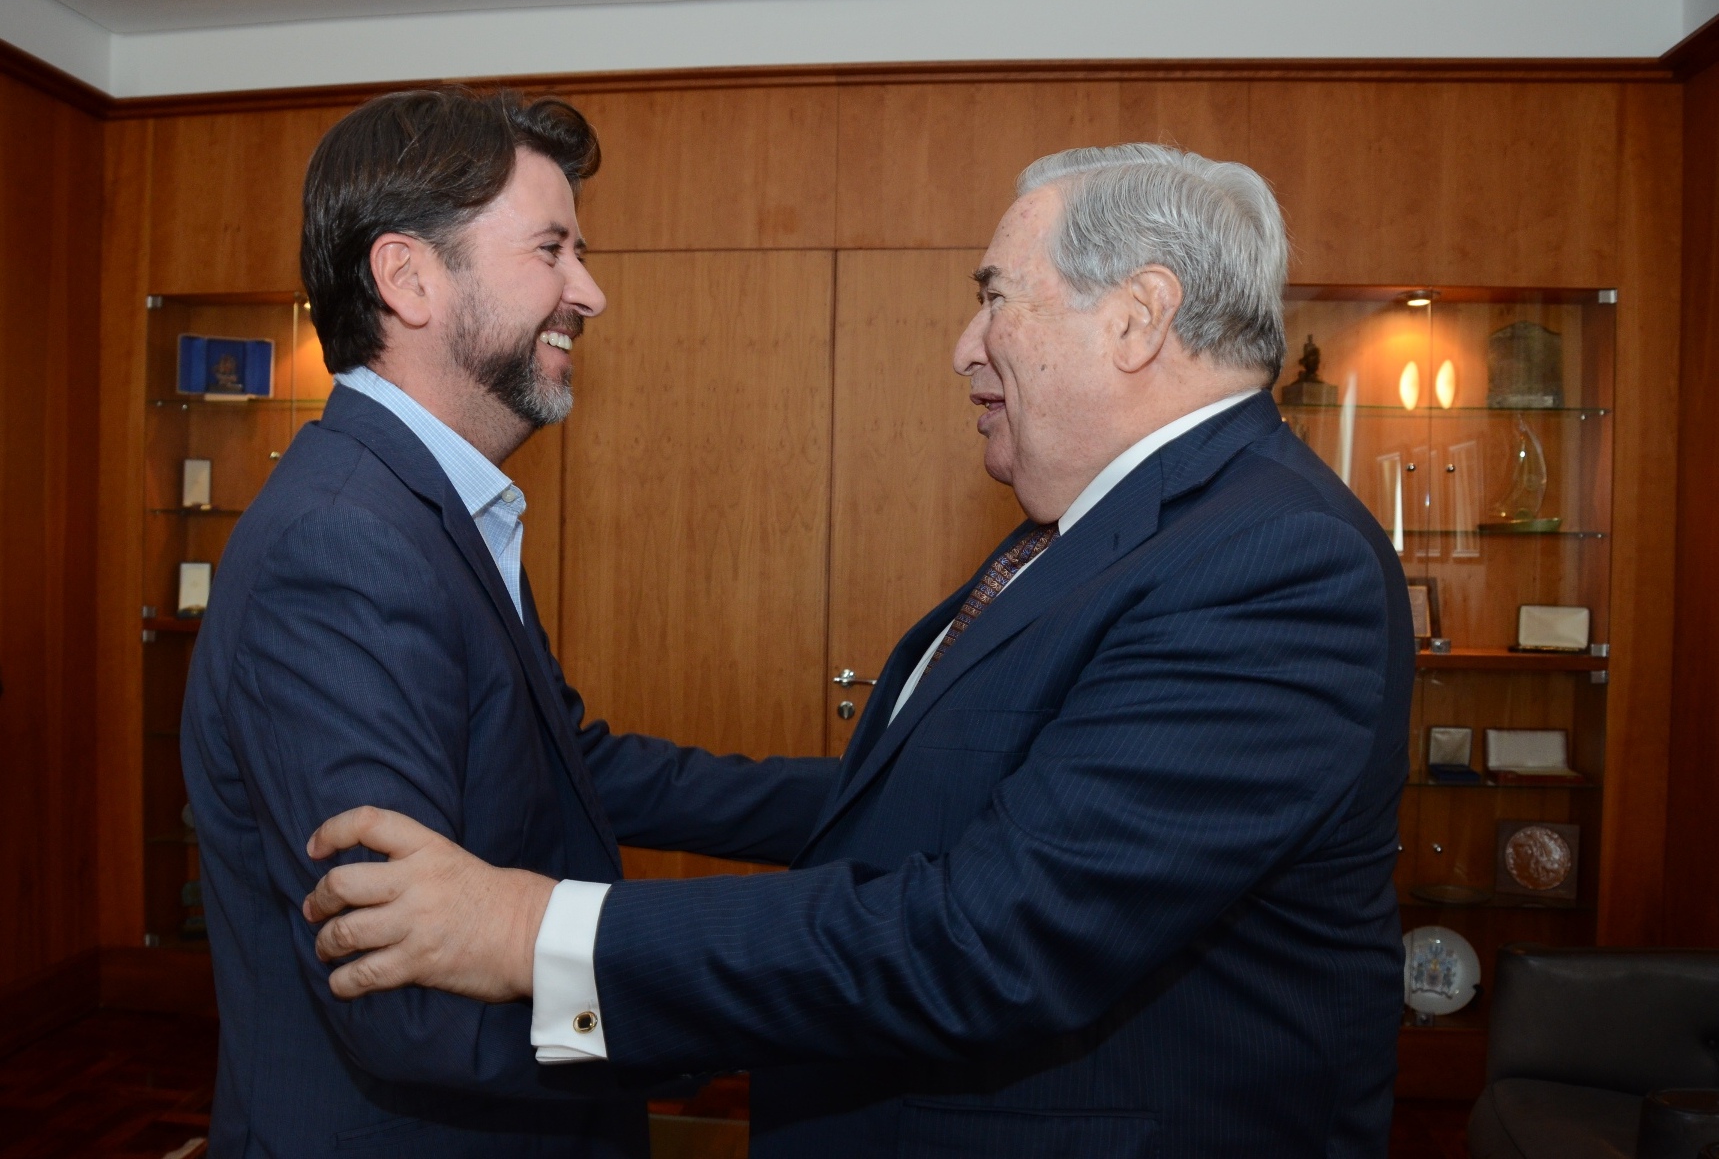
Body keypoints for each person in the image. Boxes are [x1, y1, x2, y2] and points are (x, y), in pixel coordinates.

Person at [303, 143, 1414, 1157]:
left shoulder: (1271, 561)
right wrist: (575, 780)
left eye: (995, 298)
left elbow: (996, 937)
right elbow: (922, 802)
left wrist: (530, 932)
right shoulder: (1102, 529)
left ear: (1137, 319)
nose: (964, 346)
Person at [180, 87, 834, 1158]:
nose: (591, 291)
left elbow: (567, 769)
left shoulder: (425, 506)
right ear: (409, 277)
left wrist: (866, 796)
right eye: (551, 249)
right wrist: (767, 997)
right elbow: (405, 999)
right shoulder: (343, 544)